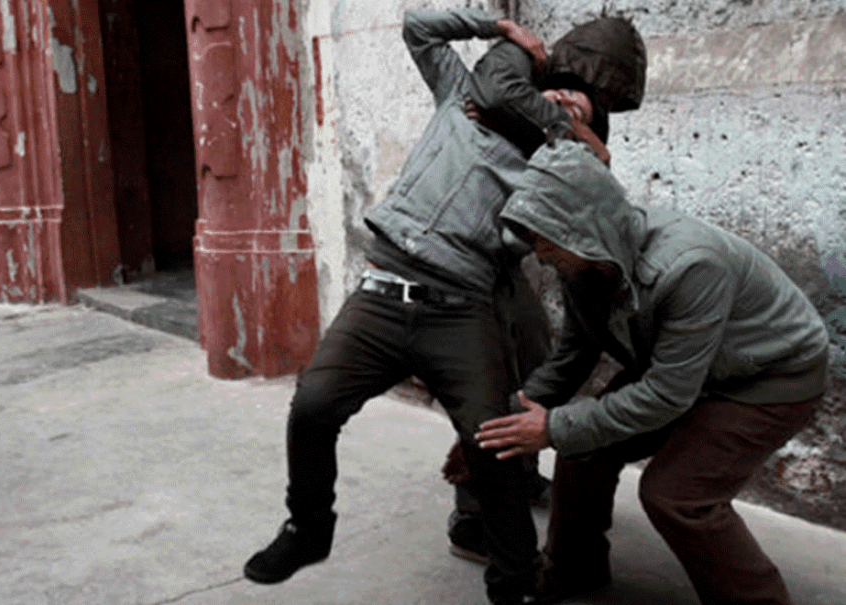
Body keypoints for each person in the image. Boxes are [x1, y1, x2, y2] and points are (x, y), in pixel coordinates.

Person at [242, 7, 612, 604]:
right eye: (561, 90)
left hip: (461, 308)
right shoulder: (460, 96)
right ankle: (308, 529)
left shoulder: (548, 165)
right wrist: (498, 29)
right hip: (383, 294)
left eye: (579, 108)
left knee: (492, 444)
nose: (565, 100)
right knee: (313, 404)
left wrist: (563, 147)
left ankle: (515, 582)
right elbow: (418, 26)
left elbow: (549, 221)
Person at [477, 140, 828, 605]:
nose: (538, 252)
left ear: (580, 225)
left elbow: (667, 394)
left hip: (767, 378)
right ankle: (573, 570)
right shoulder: (581, 261)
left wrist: (554, 426)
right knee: (582, 446)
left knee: (677, 495)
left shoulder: (690, 265)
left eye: (545, 238)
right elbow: (575, 353)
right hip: (682, 368)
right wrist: (504, 422)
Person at [442, 14, 647, 566]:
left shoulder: (580, 111)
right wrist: (553, 119)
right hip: (463, 250)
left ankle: (520, 473)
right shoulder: (523, 69)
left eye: (605, 98)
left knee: (537, 363)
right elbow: (491, 92)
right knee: (489, 380)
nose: (593, 102)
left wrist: (573, 128)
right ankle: (472, 518)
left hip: (514, 255)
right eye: (596, 89)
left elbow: (591, 170)